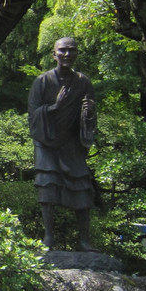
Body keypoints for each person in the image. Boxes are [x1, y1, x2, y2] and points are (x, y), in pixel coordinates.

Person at [28, 37, 97, 250]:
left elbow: (90, 117)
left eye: (72, 50)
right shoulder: (42, 81)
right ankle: (49, 237)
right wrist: (54, 108)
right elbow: (33, 115)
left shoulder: (83, 82)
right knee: (47, 187)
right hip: (46, 141)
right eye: (62, 50)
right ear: (54, 54)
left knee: (83, 189)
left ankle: (84, 240)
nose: (67, 54)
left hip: (71, 141)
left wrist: (88, 112)